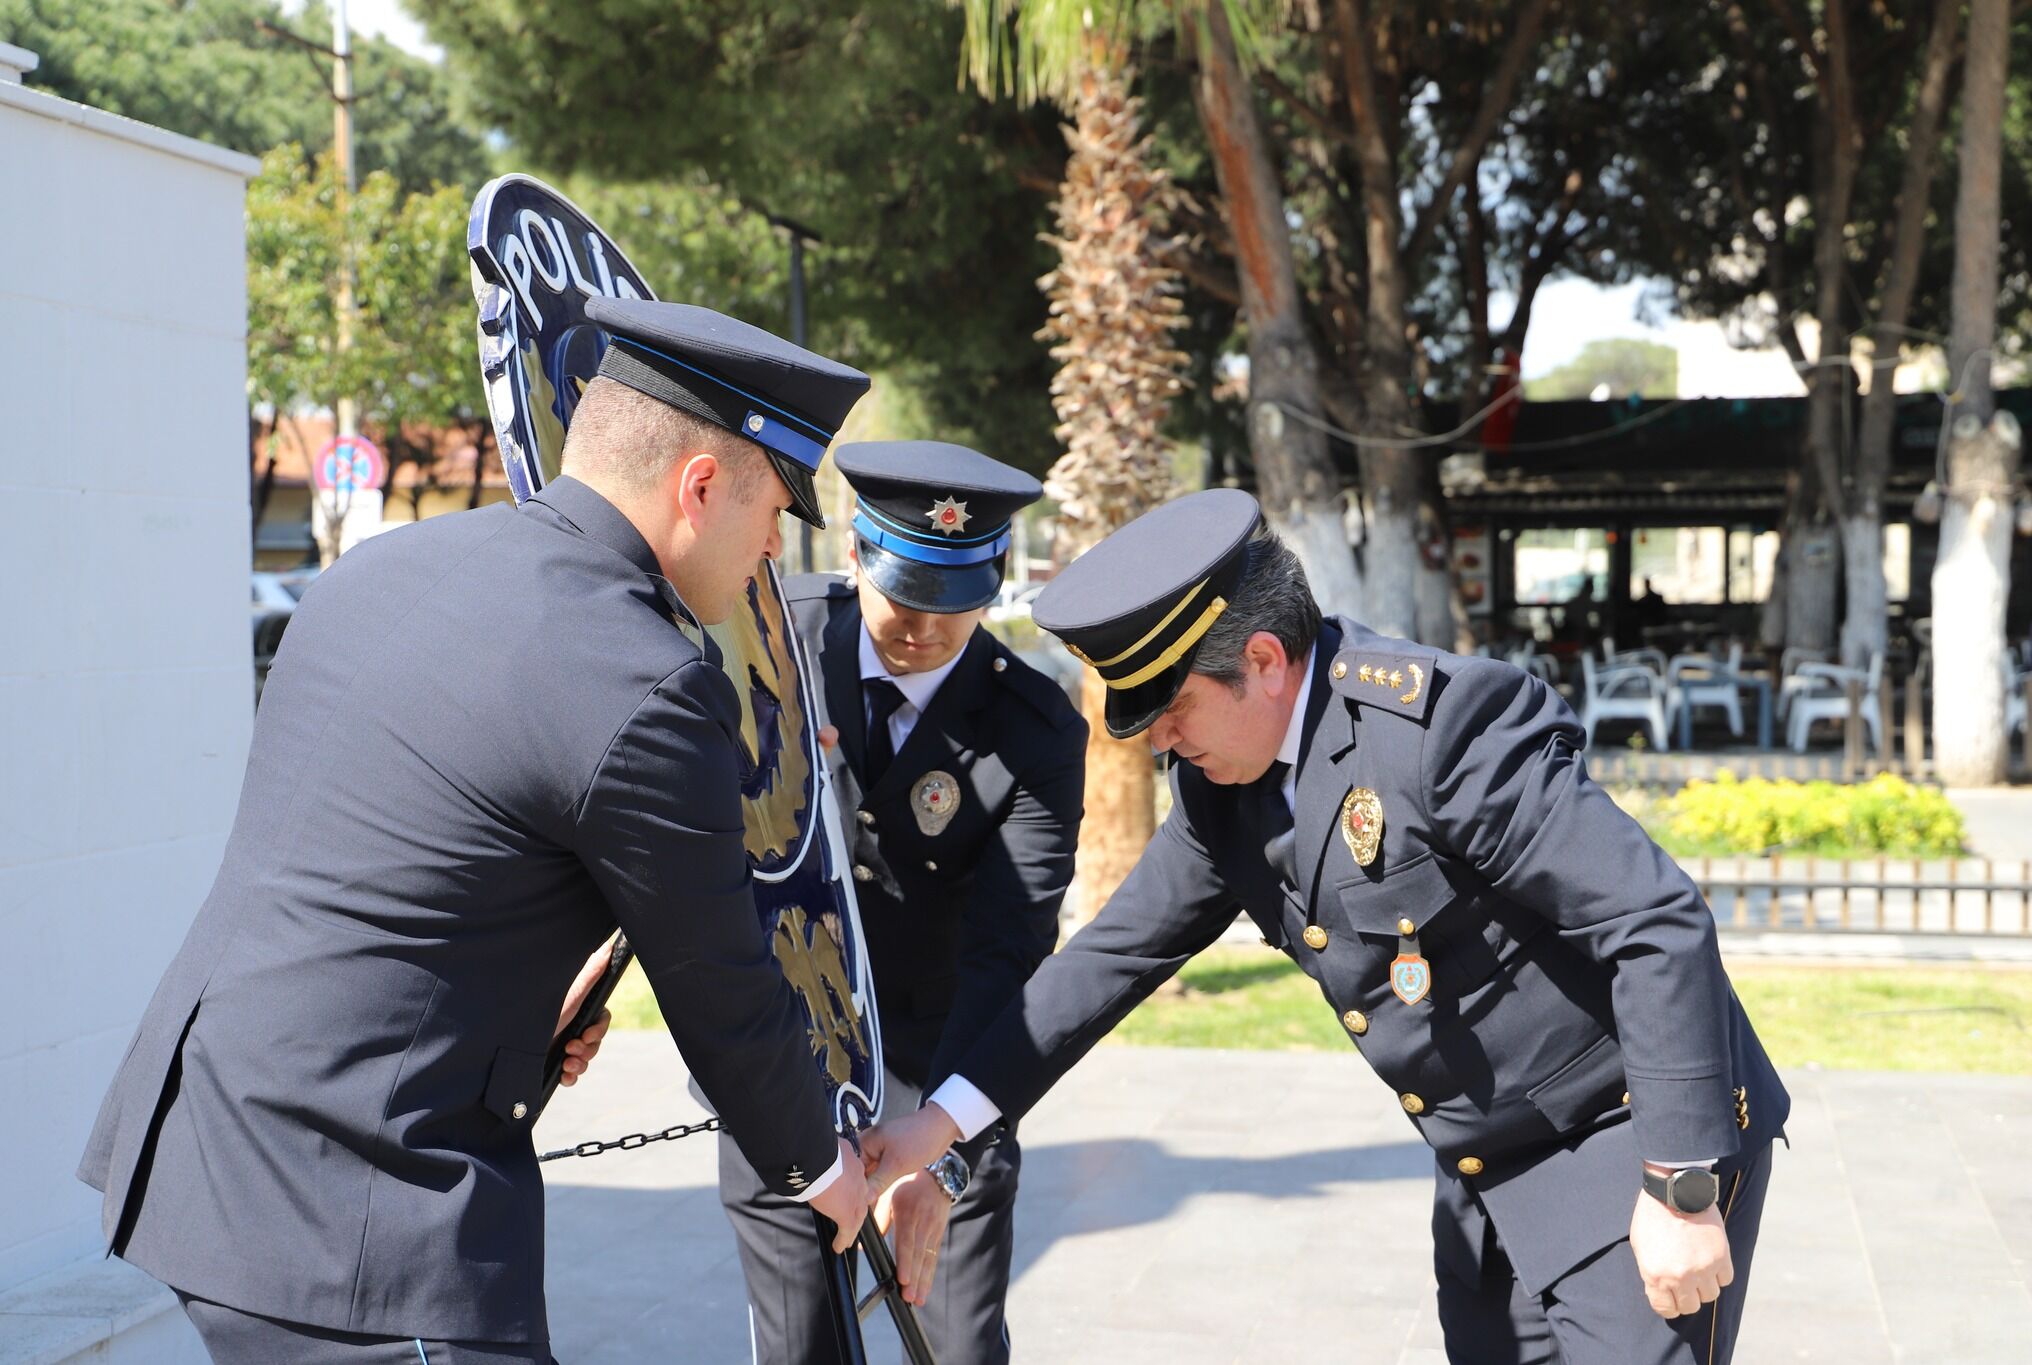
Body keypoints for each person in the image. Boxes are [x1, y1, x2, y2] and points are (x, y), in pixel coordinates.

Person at [77, 298, 875, 1364]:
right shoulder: (643, 679)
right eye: (773, 509)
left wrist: (513, 1008)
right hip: (355, 1217)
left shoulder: (385, 566)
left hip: (206, 1146)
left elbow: (396, 865)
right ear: (697, 488)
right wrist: (822, 1167)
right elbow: (721, 987)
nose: (774, 548)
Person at [865, 489, 1787, 1365]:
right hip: (1487, 1177)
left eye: (1173, 706)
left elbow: (1655, 920)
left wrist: (1681, 1186)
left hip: (1626, 1144)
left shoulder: (1439, 732)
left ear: (1265, 661)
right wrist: (937, 1126)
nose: (1157, 741)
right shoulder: (1222, 788)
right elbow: (1110, 959)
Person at [709, 440, 1086, 1364]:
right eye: (905, 595)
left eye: (954, 603)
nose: (923, 627)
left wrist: (946, 1151)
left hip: (943, 1068)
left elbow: (1008, 954)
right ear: (854, 554)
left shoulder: (1034, 728)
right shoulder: (768, 638)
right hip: (782, 1055)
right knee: (803, 1344)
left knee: (956, 1345)